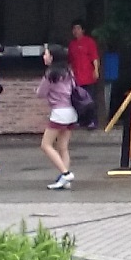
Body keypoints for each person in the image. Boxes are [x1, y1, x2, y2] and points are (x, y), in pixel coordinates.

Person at [35, 52, 85, 190]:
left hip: (59, 112)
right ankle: (65, 180)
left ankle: (65, 173)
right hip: (71, 111)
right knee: (63, 146)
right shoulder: (69, 72)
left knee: (46, 145)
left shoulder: (50, 74)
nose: (44, 57)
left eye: (46, 54)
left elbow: (41, 93)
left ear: (52, 57)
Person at [67, 22, 107, 142]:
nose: (76, 31)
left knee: (89, 99)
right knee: (78, 100)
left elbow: (94, 57)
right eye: (74, 29)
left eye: (78, 28)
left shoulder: (89, 42)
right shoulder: (72, 44)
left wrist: (96, 70)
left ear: (83, 30)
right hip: (77, 77)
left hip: (88, 76)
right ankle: (82, 121)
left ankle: (93, 121)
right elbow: (70, 61)